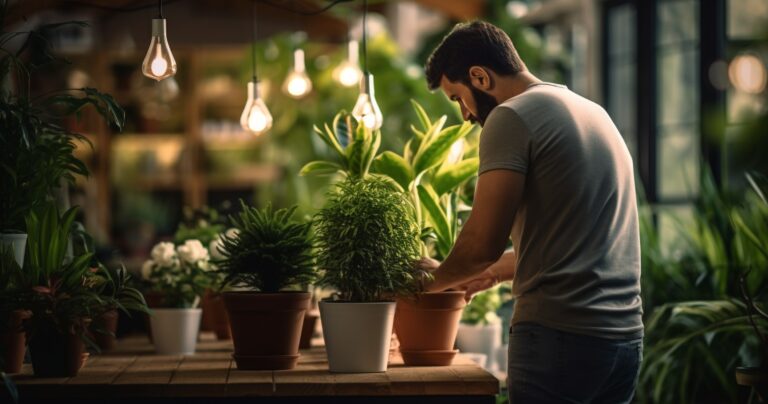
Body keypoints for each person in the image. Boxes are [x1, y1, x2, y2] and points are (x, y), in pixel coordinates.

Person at [419, 21, 644, 403]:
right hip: (623, 343)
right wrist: (487, 276)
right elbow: (574, 244)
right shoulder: (593, 113)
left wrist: (429, 284)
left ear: (480, 77)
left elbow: (481, 244)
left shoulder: (512, 116)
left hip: (558, 339)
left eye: (458, 97)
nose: (465, 115)